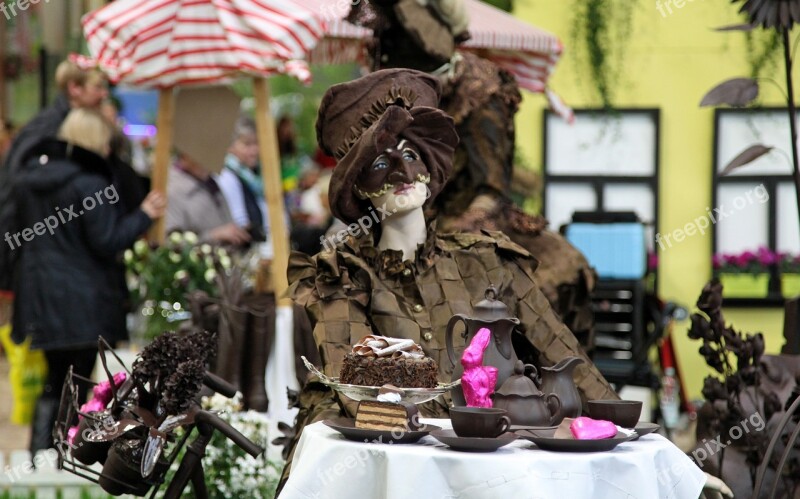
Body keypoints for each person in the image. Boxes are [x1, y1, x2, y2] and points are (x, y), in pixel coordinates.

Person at [278, 69, 617, 490]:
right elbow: (358, 387)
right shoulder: (340, 276)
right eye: (380, 162)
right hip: (395, 472)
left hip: (498, 468)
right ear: (360, 188)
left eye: (412, 154)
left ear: (430, 167)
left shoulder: (489, 263)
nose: (401, 171)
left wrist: (633, 438)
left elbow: (568, 360)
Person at [347, 0, 598, 345]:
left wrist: (447, 237)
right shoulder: (392, 92)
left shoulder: (480, 90)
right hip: (402, 211)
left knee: (494, 290)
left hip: (468, 216)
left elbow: (490, 187)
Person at [11, 108, 165, 456]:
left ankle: (42, 459)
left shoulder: (29, 181)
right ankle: (61, 455)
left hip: (41, 296)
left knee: (55, 381)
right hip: (82, 298)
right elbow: (107, 240)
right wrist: (144, 215)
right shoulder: (91, 185)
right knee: (77, 382)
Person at [0, 58, 109, 293]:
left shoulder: (60, 122)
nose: (104, 95)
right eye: (97, 87)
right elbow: (16, 186)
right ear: (74, 88)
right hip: (35, 256)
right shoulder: (50, 127)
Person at [165, 150, 251, 246]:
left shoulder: (210, 182)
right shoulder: (172, 189)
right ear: (185, 156)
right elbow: (171, 244)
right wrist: (213, 236)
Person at [216, 117, 269, 242]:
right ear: (230, 146)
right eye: (247, 144)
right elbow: (240, 222)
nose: (254, 150)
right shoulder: (226, 177)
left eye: (257, 143)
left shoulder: (251, 175)